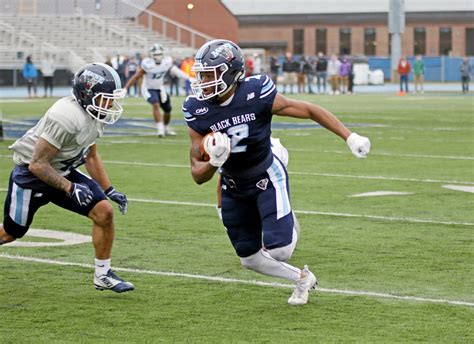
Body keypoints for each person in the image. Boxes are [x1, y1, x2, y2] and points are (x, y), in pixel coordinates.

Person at [183, 39, 371, 306]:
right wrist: (215, 161)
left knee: (280, 251)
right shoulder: (197, 110)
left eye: (209, 75)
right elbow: (197, 174)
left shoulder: (255, 92)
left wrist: (349, 137)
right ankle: (302, 278)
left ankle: (288, 220)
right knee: (249, 259)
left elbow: (308, 110)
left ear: (232, 72)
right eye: (200, 75)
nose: (202, 82)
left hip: (266, 172)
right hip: (233, 184)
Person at [0, 62, 134, 293]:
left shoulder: (94, 112)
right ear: (86, 95)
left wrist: (109, 189)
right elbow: (37, 164)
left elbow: (90, 153)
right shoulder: (66, 116)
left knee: (104, 212)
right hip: (31, 177)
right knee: (11, 233)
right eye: (106, 98)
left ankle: (102, 274)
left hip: (62, 169)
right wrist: (70, 188)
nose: (111, 103)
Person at [125, 43, 193, 137]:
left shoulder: (166, 62)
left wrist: (188, 78)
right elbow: (136, 77)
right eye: (156, 54)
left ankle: (166, 128)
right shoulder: (148, 64)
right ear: (151, 55)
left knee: (167, 110)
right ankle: (160, 129)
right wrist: (125, 88)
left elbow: (176, 71)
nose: (158, 57)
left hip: (160, 88)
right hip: (148, 89)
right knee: (155, 104)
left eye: (159, 54)